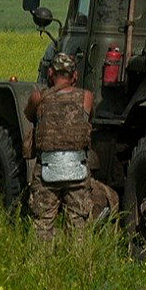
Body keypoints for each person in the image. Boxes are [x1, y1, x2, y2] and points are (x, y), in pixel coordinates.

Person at [24, 53, 110, 237]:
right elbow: (88, 119)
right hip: (77, 170)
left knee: (42, 224)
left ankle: (41, 263)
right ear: (75, 76)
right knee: (79, 225)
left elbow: (29, 115)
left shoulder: (38, 97)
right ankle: (77, 263)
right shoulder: (87, 97)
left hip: (46, 170)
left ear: (50, 73)